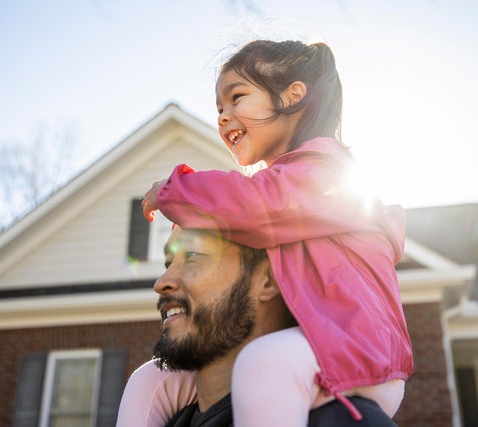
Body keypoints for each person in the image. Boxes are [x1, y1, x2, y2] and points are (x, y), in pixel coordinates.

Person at [136, 39, 413, 426]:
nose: (223, 115)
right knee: (151, 380)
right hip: (310, 347)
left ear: (291, 96)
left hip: (358, 354)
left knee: (262, 363)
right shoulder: (289, 182)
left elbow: (256, 204)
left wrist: (176, 191)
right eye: (219, 107)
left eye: (237, 97)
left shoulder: (325, 174)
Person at [118, 226, 397, 427]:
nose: (162, 281)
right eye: (168, 262)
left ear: (269, 280)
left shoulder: (342, 420)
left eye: (192, 256)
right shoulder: (160, 417)